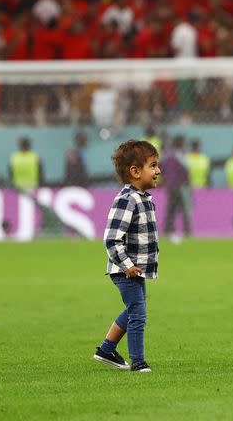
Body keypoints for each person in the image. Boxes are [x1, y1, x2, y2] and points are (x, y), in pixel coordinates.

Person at [93, 140, 161, 373]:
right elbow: (112, 238)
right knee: (138, 314)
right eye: (152, 165)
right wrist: (127, 265)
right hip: (126, 270)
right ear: (135, 171)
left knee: (134, 308)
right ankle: (138, 362)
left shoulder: (143, 198)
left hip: (135, 269)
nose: (158, 171)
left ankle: (106, 349)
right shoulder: (127, 199)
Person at [160, 135, 191, 243]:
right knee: (184, 207)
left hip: (170, 185)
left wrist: (165, 178)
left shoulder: (167, 155)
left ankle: (168, 229)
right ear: (181, 143)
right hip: (180, 185)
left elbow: (160, 167)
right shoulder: (180, 155)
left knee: (171, 207)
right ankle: (187, 230)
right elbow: (186, 169)